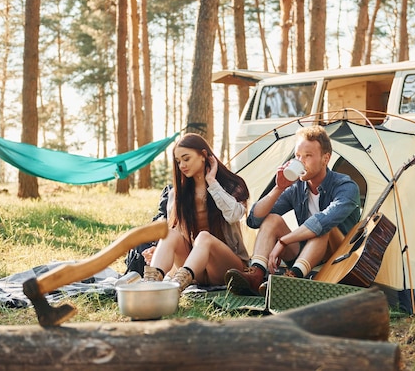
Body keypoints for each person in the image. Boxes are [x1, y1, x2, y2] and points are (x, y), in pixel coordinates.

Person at [225, 125, 361, 296]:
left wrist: (283, 242)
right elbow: (254, 220)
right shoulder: (296, 188)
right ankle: (256, 275)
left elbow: (323, 221)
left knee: (322, 228)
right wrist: (278, 188)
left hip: (340, 257)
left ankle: (292, 279)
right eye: (298, 156)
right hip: (306, 254)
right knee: (272, 219)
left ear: (325, 158)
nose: (300, 161)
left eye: (308, 156)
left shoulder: (346, 186)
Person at [142, 133, 250, 294]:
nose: (182, 165)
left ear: (204, 155)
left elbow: (234, 215)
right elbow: (177, 232)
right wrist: (158, 251)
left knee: (204, 237)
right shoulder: (177, 194)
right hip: (194, 270)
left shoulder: (232, 185)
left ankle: (174, 289)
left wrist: (212, 182)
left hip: (227, 268)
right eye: (178, 161)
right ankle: (148, 288)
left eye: (186, 159)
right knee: (170, 234)